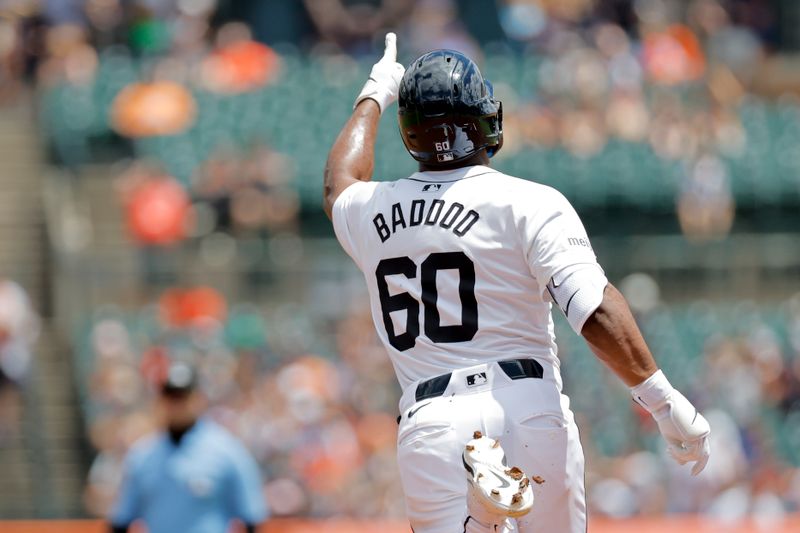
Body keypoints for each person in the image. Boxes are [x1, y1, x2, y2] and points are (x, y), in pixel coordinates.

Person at [323, 33, 711, 533]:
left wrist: (376, 92)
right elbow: (592, 309)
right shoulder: (528, 201)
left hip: (431, 418)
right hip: (526, 402)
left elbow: (339, 181)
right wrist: (662, 400)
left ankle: (481, 522)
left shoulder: (371, 207)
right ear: (483, 120)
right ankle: (485, 515)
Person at [108, 361, 268, 533]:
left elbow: (251, 518)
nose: (177, 405)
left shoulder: (227, 452)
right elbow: (121, 521)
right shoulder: (142, 456)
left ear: (199, 398)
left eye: (183, 397)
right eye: (171, 397)